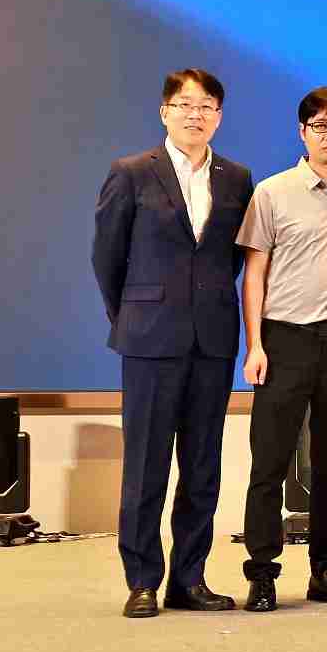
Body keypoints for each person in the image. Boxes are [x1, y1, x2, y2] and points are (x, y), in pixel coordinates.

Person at [92, 68, 254, 619]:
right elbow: (107, 257)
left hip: (212, 340)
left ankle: (190, 578)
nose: (195, 114)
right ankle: (142, 580)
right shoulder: (132, 172)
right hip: (149, 339)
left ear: (219, 117)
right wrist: (134, 315)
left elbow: (232, 258)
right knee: (146, 465)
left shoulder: (237, 178)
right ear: (165, 112)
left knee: (203, 466)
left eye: (207, 106)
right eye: (185, 105)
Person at [236, 86, 327, 612]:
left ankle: (326, 569)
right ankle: (262, 573)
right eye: (320, 126)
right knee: (270, 461)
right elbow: (254, 275)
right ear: (302, 132)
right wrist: (254, 345)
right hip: (285, 340)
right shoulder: (271, 193)